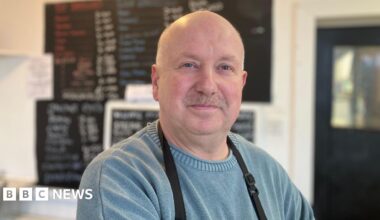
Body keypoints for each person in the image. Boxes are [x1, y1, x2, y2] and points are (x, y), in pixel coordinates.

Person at [77, 10, 315, 220]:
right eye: (189, 65)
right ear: (156, 81)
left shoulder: (268, 172)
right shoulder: (119, 177)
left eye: (225, 67)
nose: (208, 86)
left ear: (241, 83)